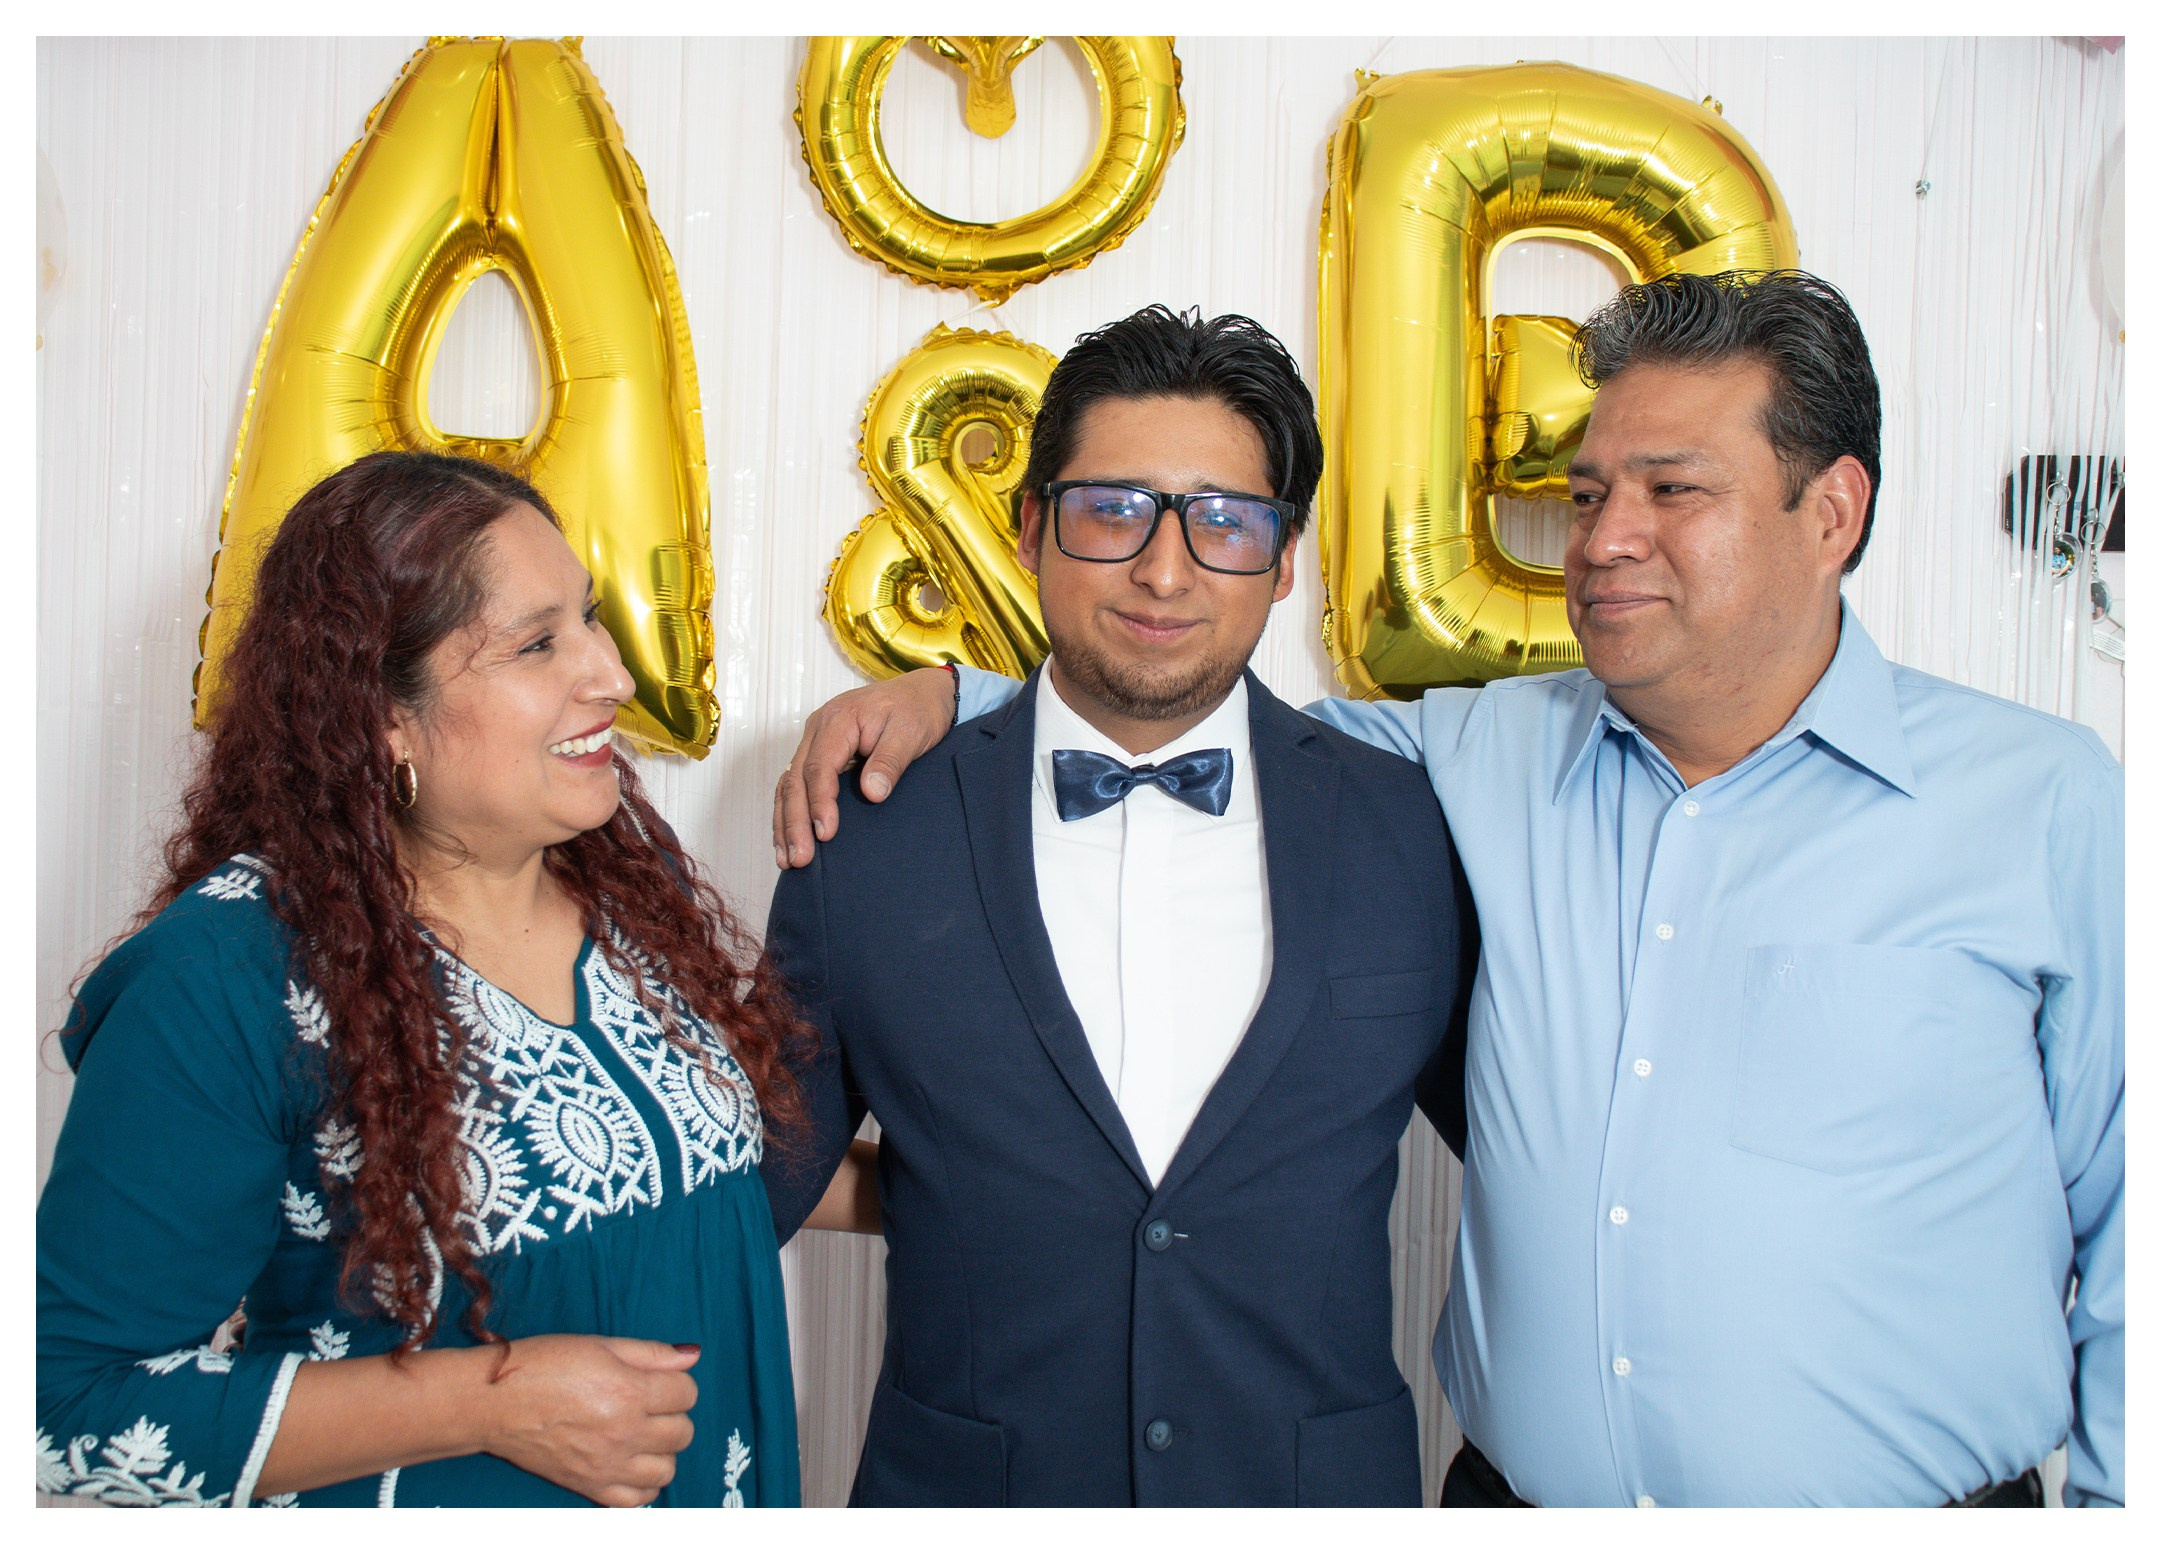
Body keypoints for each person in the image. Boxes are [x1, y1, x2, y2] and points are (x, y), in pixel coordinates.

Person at [773, 272, 2124, 1507]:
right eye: (1589, 494)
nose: (1602, 540)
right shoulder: (1470, 755)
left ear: (1831, 510)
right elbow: (1178, 711)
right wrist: (959, 694)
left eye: (1672, 490)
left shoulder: (2043, 799)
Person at [38, 450, 876, 1507]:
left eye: (589, 618)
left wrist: (978, 1188)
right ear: (382, 716)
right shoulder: (228, 975)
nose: (610, 674)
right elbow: (60, 1402)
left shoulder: (620, 873)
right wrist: (491, 1396)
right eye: (536, 644)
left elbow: (692, 1166)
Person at [760, 305, 1473, 1506]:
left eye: (1225, 523)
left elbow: (1529, 1149)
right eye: (1113, 509)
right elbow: (756, 1172)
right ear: (1033, 526)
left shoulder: (1411, 823)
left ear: (1284, 558)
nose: (1164, 568)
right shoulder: (866, 827)